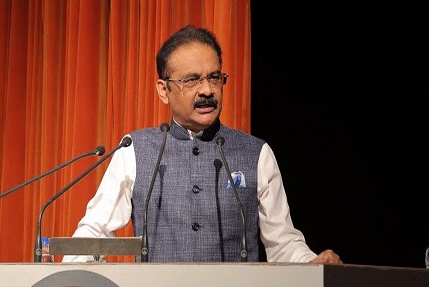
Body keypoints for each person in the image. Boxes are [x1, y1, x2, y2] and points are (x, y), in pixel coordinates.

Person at [63, 25, 341, 265]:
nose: (207, 90)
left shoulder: (255, 154)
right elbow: (94, 232)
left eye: (214, 77)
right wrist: (61, 277)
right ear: (163, 90)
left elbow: (282, 243)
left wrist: (311, 263)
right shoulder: (134, 150)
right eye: (192, 80)